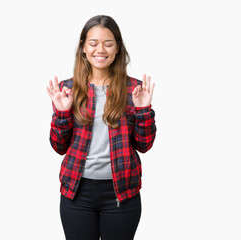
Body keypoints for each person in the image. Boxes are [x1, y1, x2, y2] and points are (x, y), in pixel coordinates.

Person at [46, 15, 156, 240]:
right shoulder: (67, 89)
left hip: (121, 192)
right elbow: (58, 147)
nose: (100, 50)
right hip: (77, 191)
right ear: (83, 48)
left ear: (117, 48)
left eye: (108, 43)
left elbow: (144, 146)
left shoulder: (134, 89)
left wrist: (144, 110)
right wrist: (62, 113)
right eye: (93, 43)